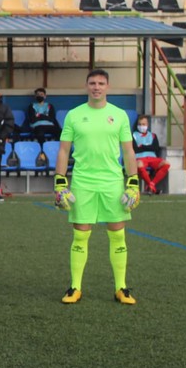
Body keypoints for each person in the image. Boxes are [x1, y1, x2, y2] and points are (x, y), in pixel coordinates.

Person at [54, 69, 140, 305]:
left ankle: (121, 288)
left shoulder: (120, 115)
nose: (96, 87)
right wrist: (60, 181)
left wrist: (133, 181)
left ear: (108, 87)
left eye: (101, 83)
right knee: (80, 235)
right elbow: (63, 150)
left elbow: (128, 150)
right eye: (92, 83)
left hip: (113, 182)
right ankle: (75, 287)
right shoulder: (73, 115)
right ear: (86, 86)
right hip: (83, 182)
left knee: (118, 234)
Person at [133, 115, 170, 195]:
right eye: (140, 124)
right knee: (139, 165)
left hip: (153, 158)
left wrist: (142, 146)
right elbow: (135, 149)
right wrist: (149, 147)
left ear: (147, 125)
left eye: (143, 124)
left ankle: (151, 185)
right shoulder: (134, 135)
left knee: (166, 164)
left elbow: (155, 148)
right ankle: (152, 186)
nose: (141, 126)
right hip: (140, 158)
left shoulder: (153, 135)